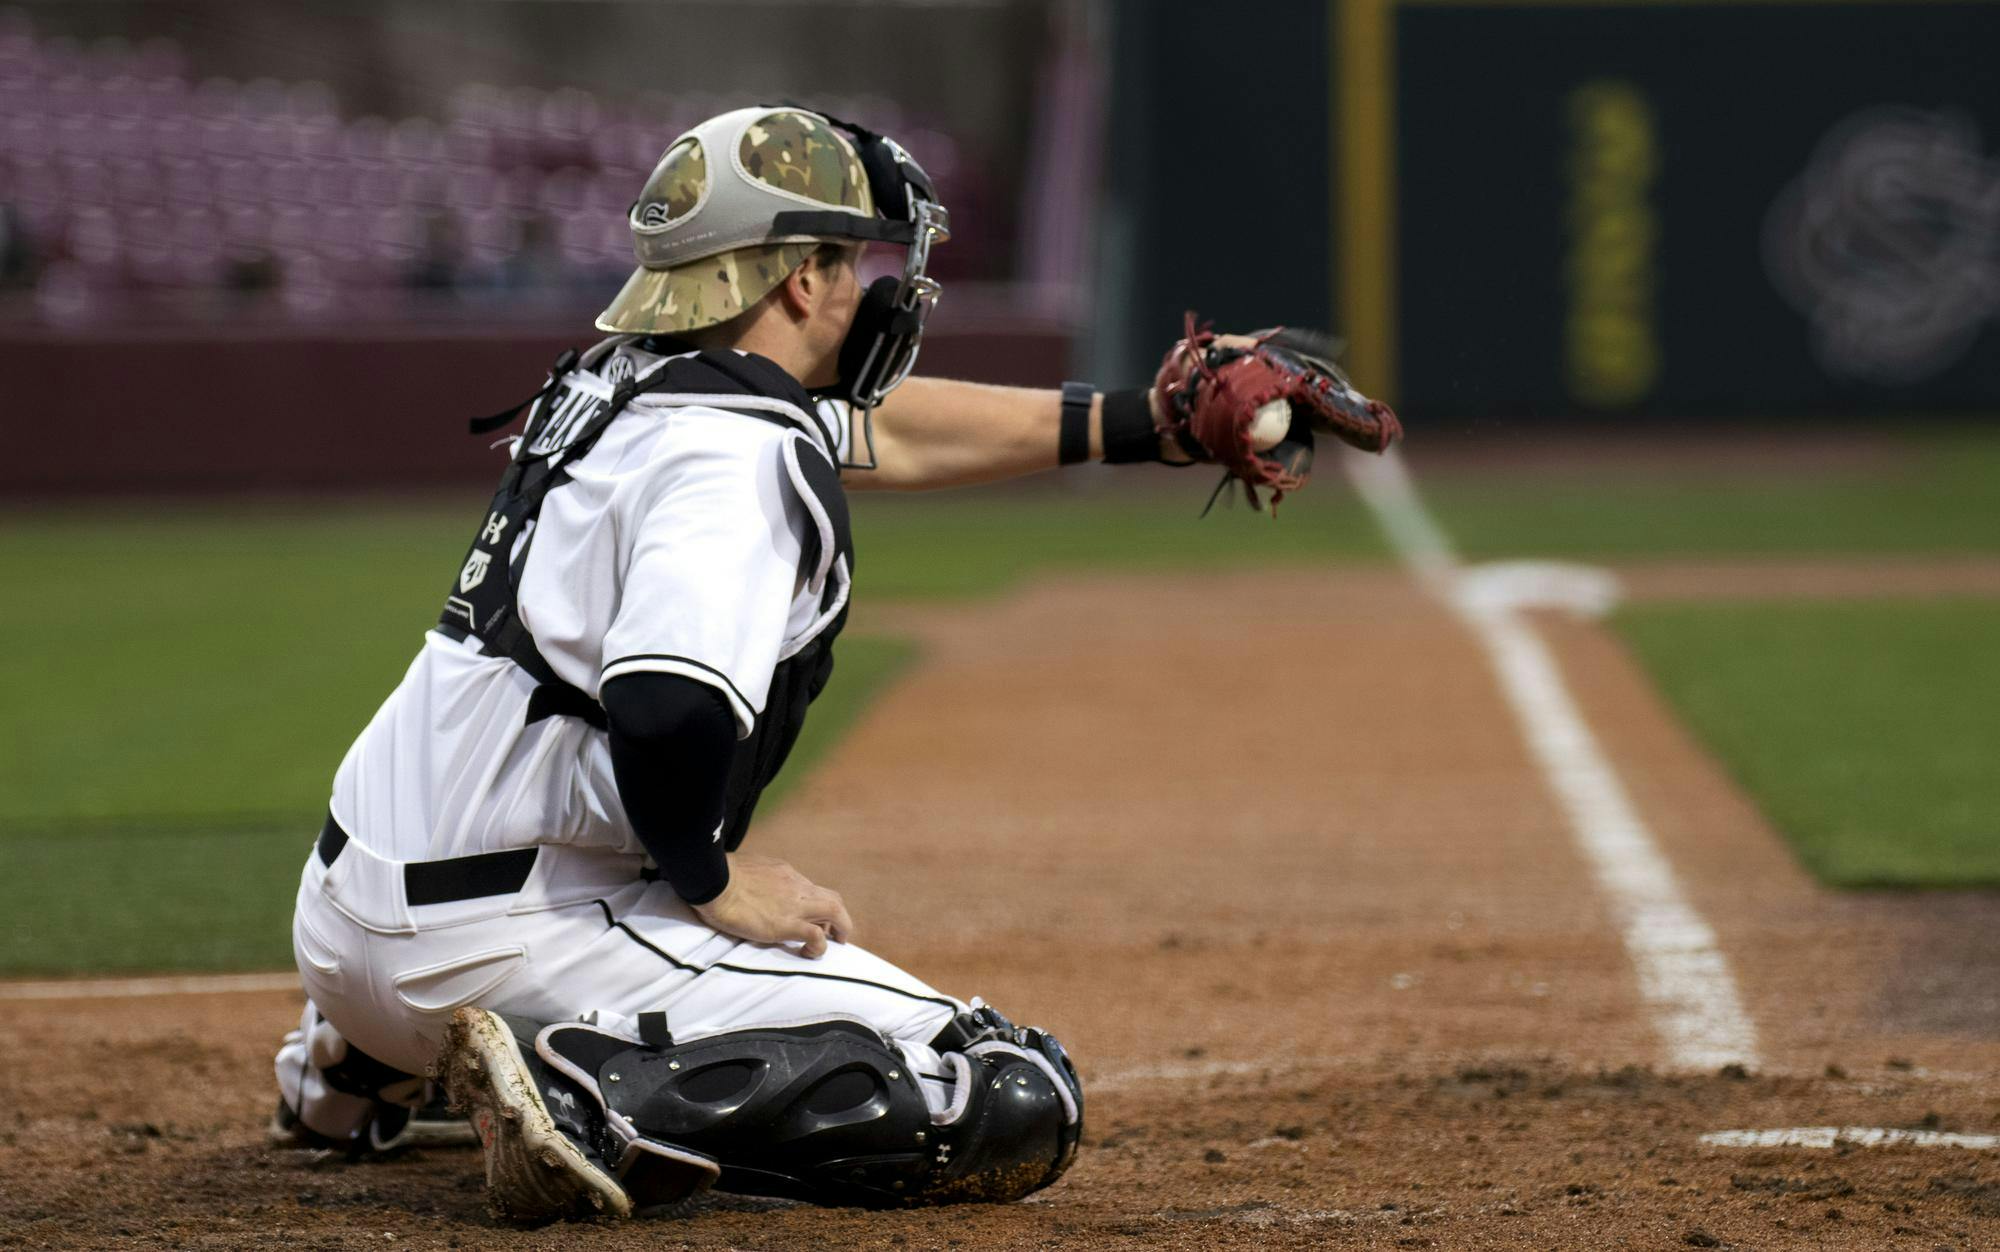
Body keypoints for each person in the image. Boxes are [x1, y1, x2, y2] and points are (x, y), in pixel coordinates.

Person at [269, 104, 1396, 1221]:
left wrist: (1134, 422)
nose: (873, 285)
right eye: (851, 258)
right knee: (1000, 1091)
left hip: (349, 916)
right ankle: (595, 1097)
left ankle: (352, 1068)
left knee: (501, 875)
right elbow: (667, 708)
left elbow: (887, 430)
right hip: (512, 934)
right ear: (799, 280)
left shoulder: (622, 381)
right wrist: (712, 881)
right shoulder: (734, 451)